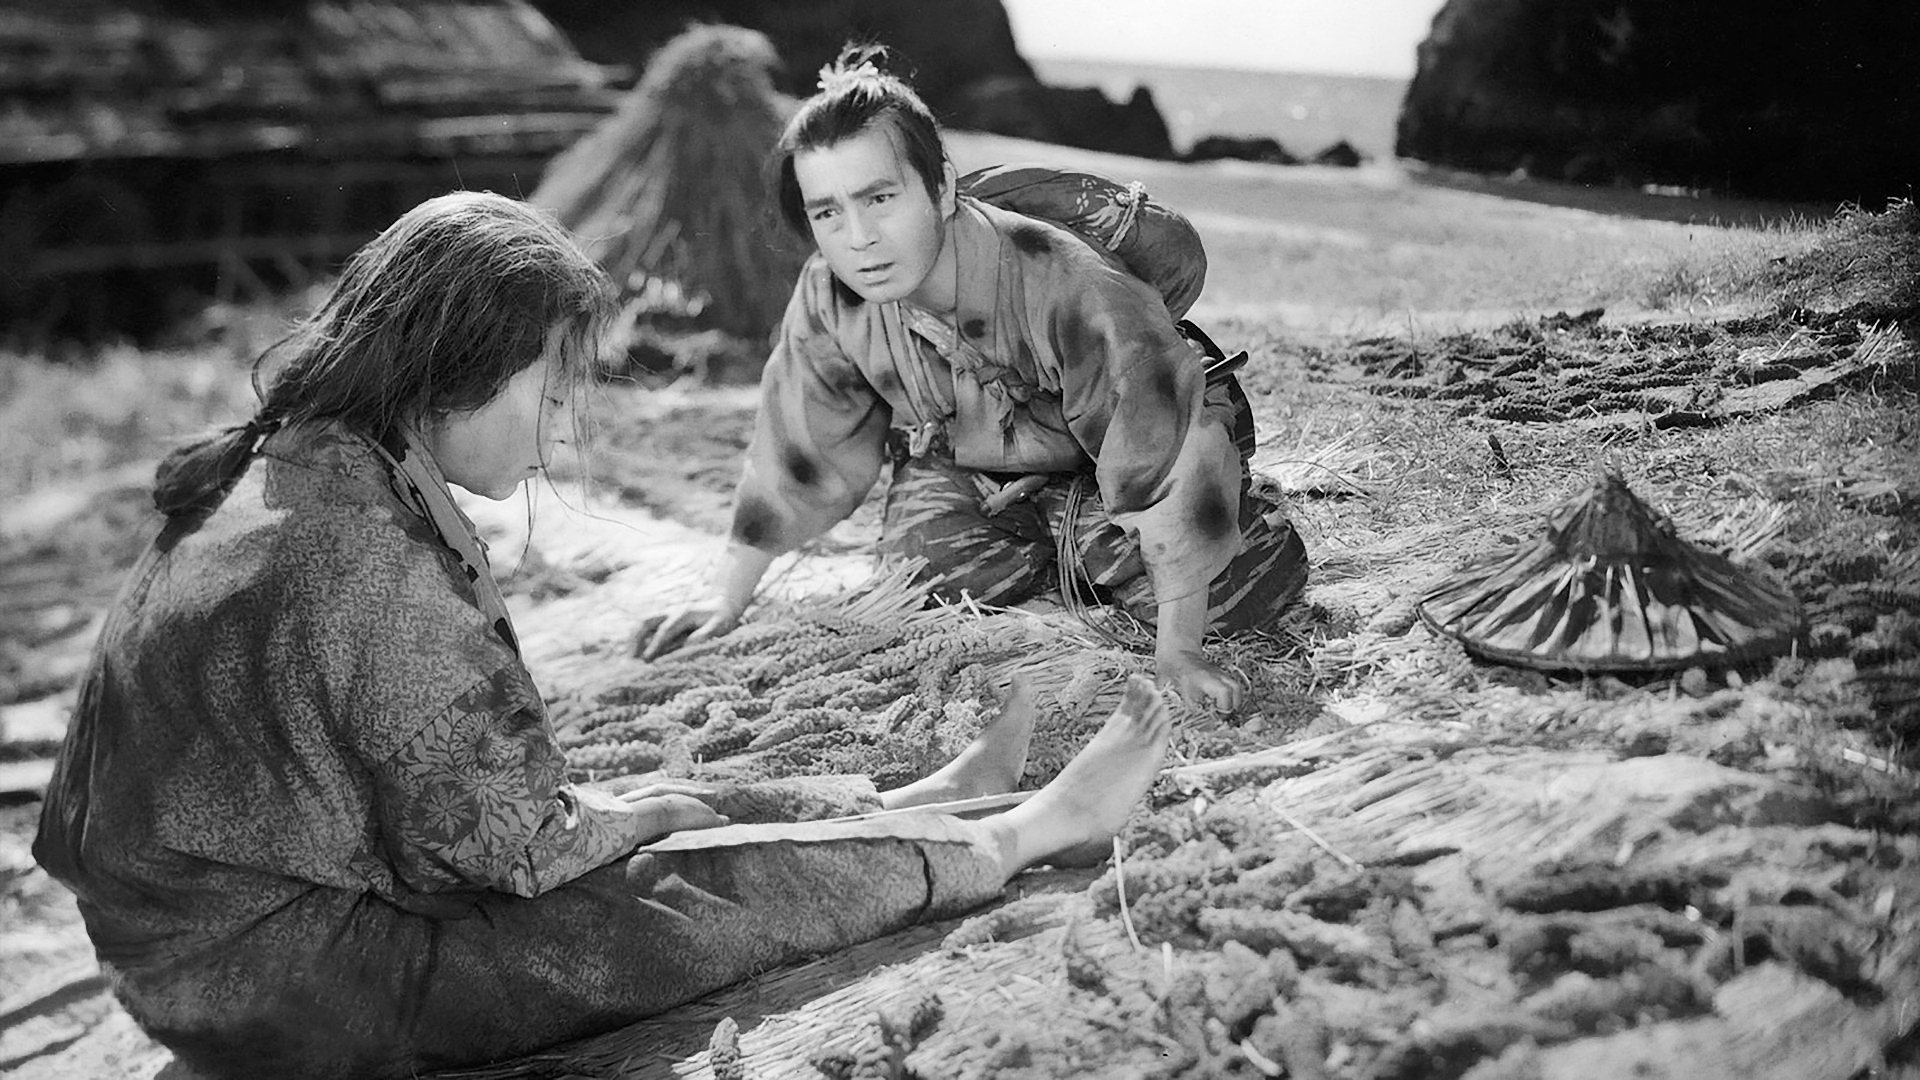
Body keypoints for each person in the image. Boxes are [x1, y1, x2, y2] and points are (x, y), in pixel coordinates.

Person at [32, 190, 1175, 1080]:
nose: (557, 434)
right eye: (549, 392)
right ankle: (1019, 835)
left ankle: (913, 799)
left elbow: (468, 801)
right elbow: (517, 850)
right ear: (462, 369)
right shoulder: (366, 557)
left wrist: (641, 808)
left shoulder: (299, 458)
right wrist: (645, 818)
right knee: (672, 899)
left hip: (195, 933)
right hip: (274, 982)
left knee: (644, 808)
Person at [641, 47, 1308, 710]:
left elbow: (1162, 451)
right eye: (828, 212)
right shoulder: (830, 293)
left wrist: (1178, 652)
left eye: (880, 198)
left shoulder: (1065, 280)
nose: (859, 237)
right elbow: (798, 451)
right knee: (922, 573)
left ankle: (1198, 525)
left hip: (1125, 460)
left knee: (1227, 596)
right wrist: (725, 599)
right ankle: (1060, 549)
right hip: (978, 468)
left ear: (941, 189)